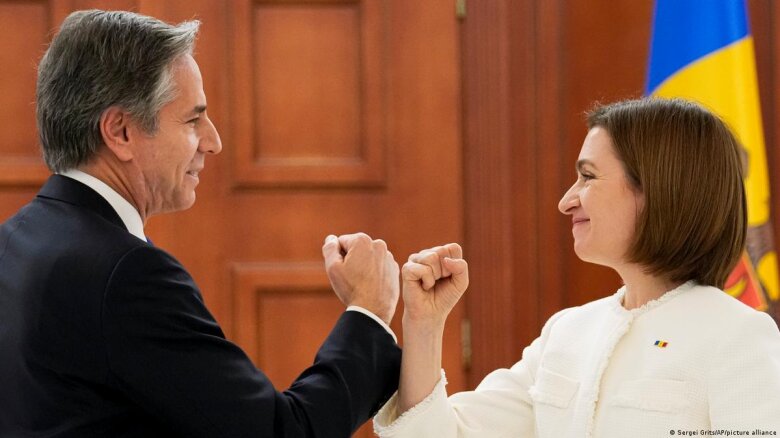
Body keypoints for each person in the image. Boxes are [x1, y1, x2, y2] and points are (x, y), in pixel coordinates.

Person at [0, 10, 401, 437]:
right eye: (193, 120)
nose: (213, 142)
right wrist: (368, 313)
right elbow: (283, 433)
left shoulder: (15, 239)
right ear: (120, 132)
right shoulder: (127, 275)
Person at [374, 98, 780, 437]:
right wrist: (424, 325)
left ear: (658, 189)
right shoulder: (567, 332)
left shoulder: (738, 336)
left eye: (588, 177)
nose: (566, 201)